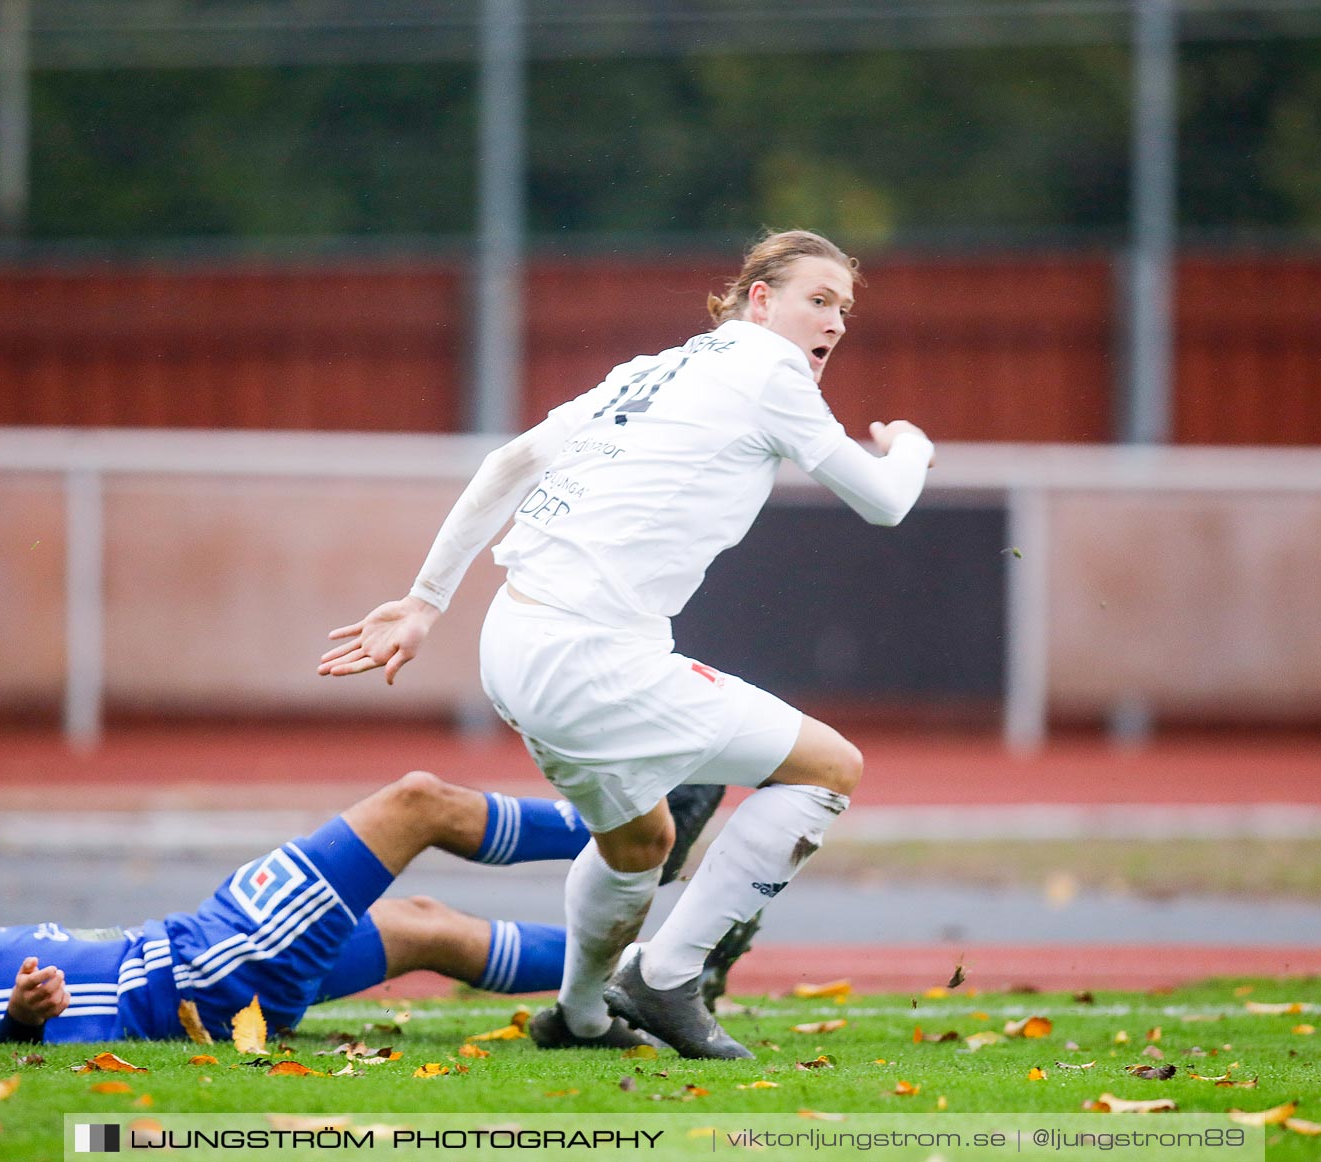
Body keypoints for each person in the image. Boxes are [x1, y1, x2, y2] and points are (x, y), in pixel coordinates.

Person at [319, 230, 933, 1059]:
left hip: (514, 639)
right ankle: (666, 976)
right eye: (817, 300)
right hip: (588, 657)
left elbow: (512, 459)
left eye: (844, 309)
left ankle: (578, 1017)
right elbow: (887, 503)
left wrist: (428, 601)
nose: (835, 322)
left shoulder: (656, 365)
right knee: (832, 769)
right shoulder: (771, 369)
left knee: (641, 843)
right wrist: (911, 447)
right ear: (760, 299)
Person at [0, 771, 715, 1045]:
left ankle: (661, 970)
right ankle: (642, 825)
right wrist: (19, 1019)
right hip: (209, 966)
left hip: (214, 972)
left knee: (426, 923)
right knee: (416, 804)